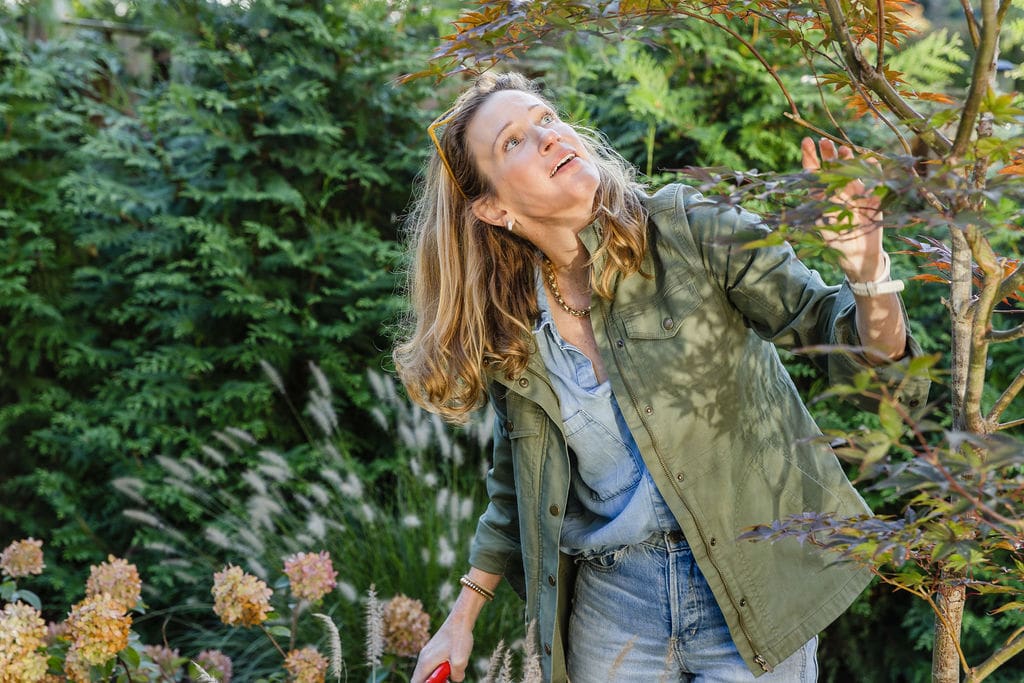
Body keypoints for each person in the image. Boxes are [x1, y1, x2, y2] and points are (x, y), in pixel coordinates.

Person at [393, 72, 929, 683]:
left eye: (546, 118)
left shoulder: (689, 231)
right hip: (615, 606)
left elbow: (854, 351)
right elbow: (516, 484)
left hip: (748, 590)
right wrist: (460, 618)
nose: (548, 136)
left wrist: (868, 275)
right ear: (492, 207)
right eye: (513, 140)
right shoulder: (517, 324)